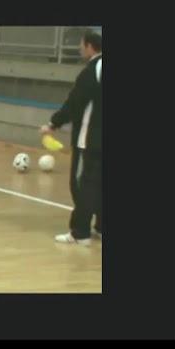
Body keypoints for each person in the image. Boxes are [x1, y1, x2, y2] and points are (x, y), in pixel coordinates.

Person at [41, 30, 102, 246]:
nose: (79, 49)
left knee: (82, 184)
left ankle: (80, 233)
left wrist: (53, 123)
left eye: (81, 45)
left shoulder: (92, 70)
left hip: (91, 141)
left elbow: (75, 102)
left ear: (89, 46)